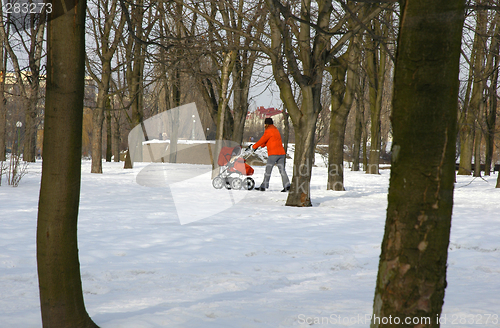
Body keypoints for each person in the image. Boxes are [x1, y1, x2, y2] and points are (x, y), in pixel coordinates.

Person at [249, 117, 291, 192]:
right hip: (281, 153)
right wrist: (262, 145)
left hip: (273, 154)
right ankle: (287, 185)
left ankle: (263, 186)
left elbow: (262, 139)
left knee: (268, 170)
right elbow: (270, 140)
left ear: (266, 124)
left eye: (265, 124)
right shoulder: (275, 130)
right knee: (282, 170)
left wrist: (254, 147)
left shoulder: (268, 131)